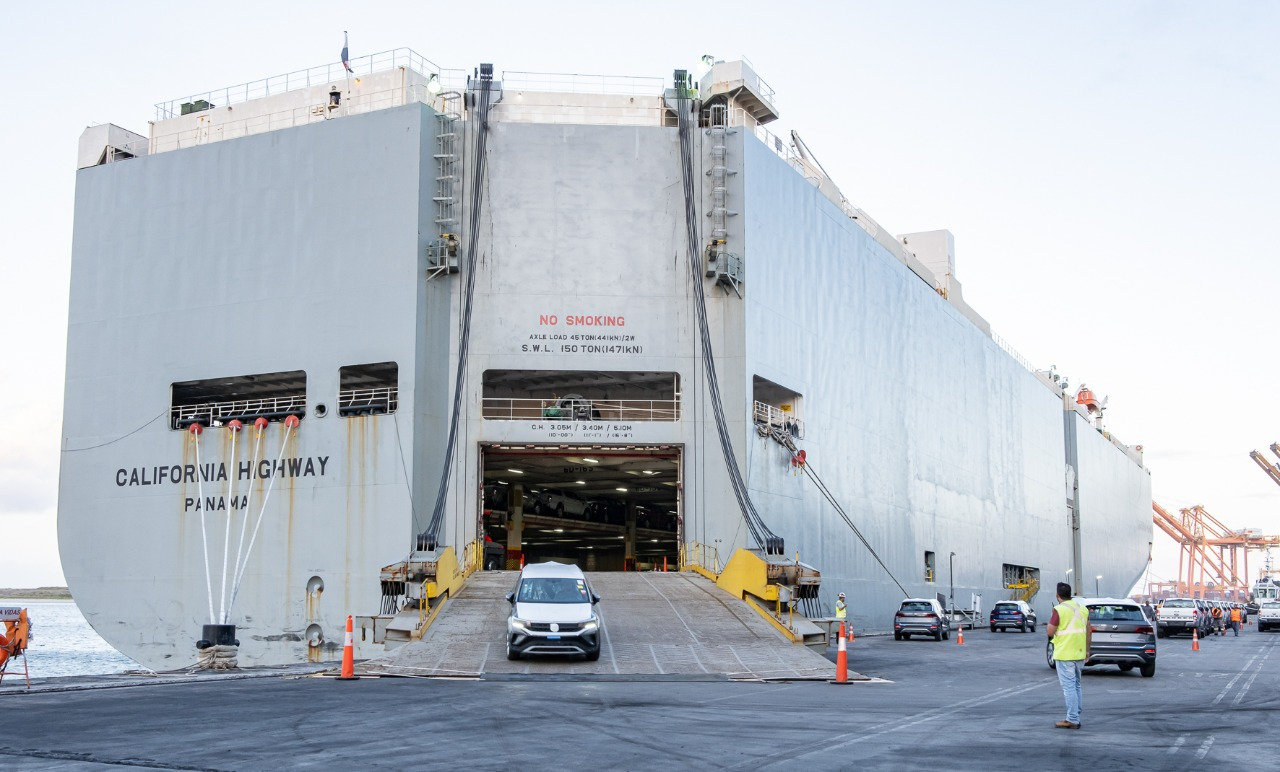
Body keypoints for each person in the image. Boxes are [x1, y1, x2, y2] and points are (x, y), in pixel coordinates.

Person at [1046, 581, 1090, 729]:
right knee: (1077, 685)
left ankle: (1072, 719)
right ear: (1070, 594)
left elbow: (1050, 632)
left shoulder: (1058, 609)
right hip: (1079, 653)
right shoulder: (1083, 608)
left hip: (1065, 653)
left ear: (1057, 595)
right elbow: (1088, 631)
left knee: (1068, 687)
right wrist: (1088, 650)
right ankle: (1075, 714)